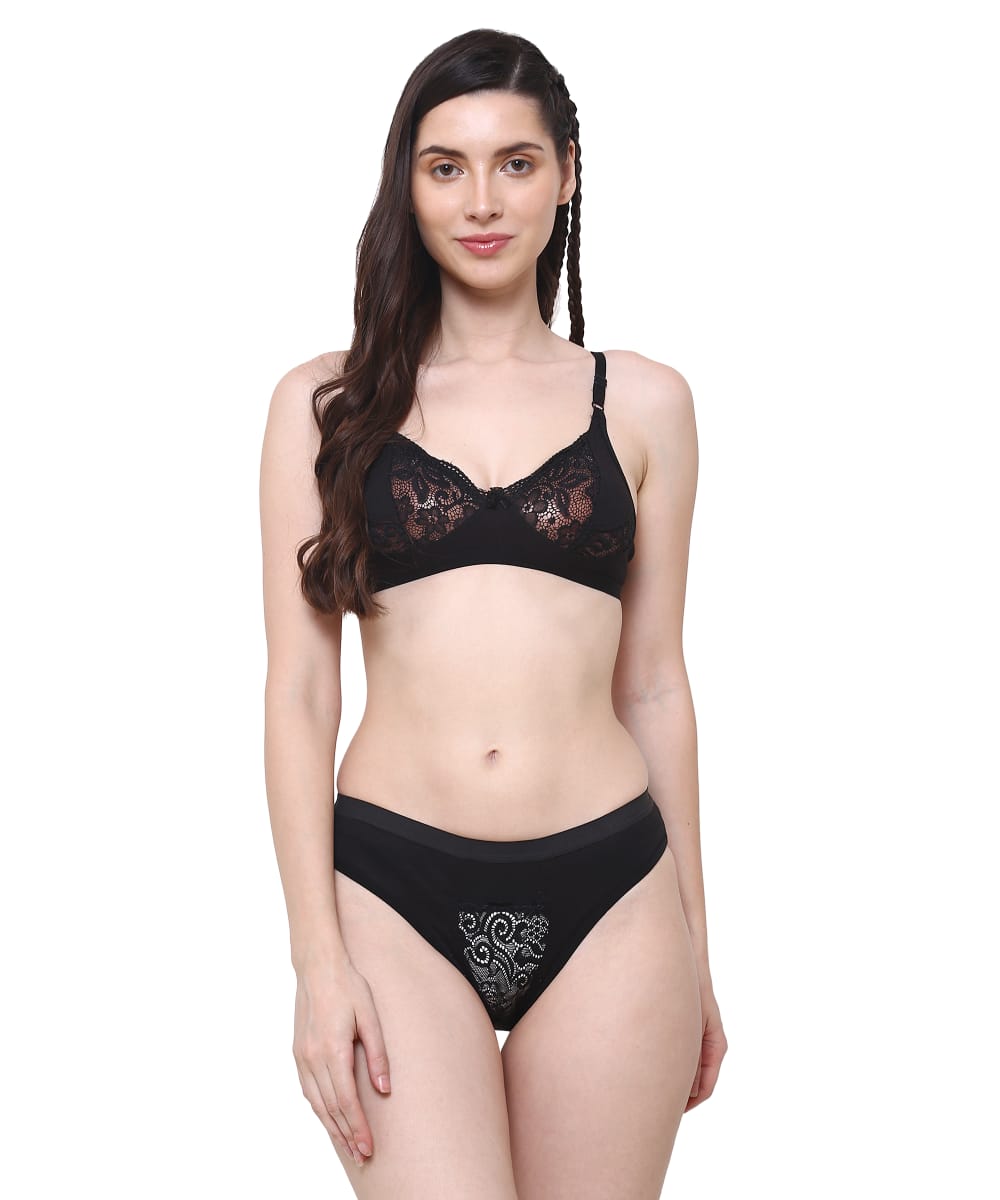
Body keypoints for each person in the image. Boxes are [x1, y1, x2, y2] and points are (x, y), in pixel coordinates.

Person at [259, 27, 726, 1198]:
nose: (481, 201)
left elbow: (654, 684)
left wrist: (698, 949)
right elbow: (300, 691)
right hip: (392, 891)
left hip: (614, 896)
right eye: (446, 166)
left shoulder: (645, 403)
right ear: (406, 184)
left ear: (565, 175)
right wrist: (315, 962)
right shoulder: (324, 406)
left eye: (515, 163)